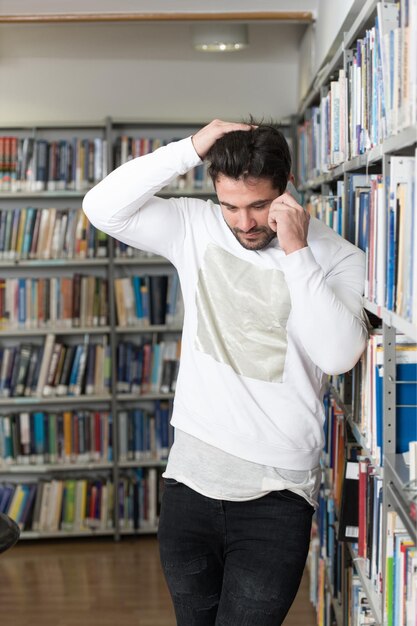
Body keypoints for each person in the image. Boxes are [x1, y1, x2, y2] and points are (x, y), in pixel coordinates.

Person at [83, 119, 368, 625]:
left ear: (285, 189)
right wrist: (191, 148)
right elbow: (101, 207)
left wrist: (296, 251)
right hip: (190, 484)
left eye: (259, 205)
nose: (244, 223)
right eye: (230, 205)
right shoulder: (195, 224)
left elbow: (338, 355)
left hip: (276, 497)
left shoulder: (336, 257)